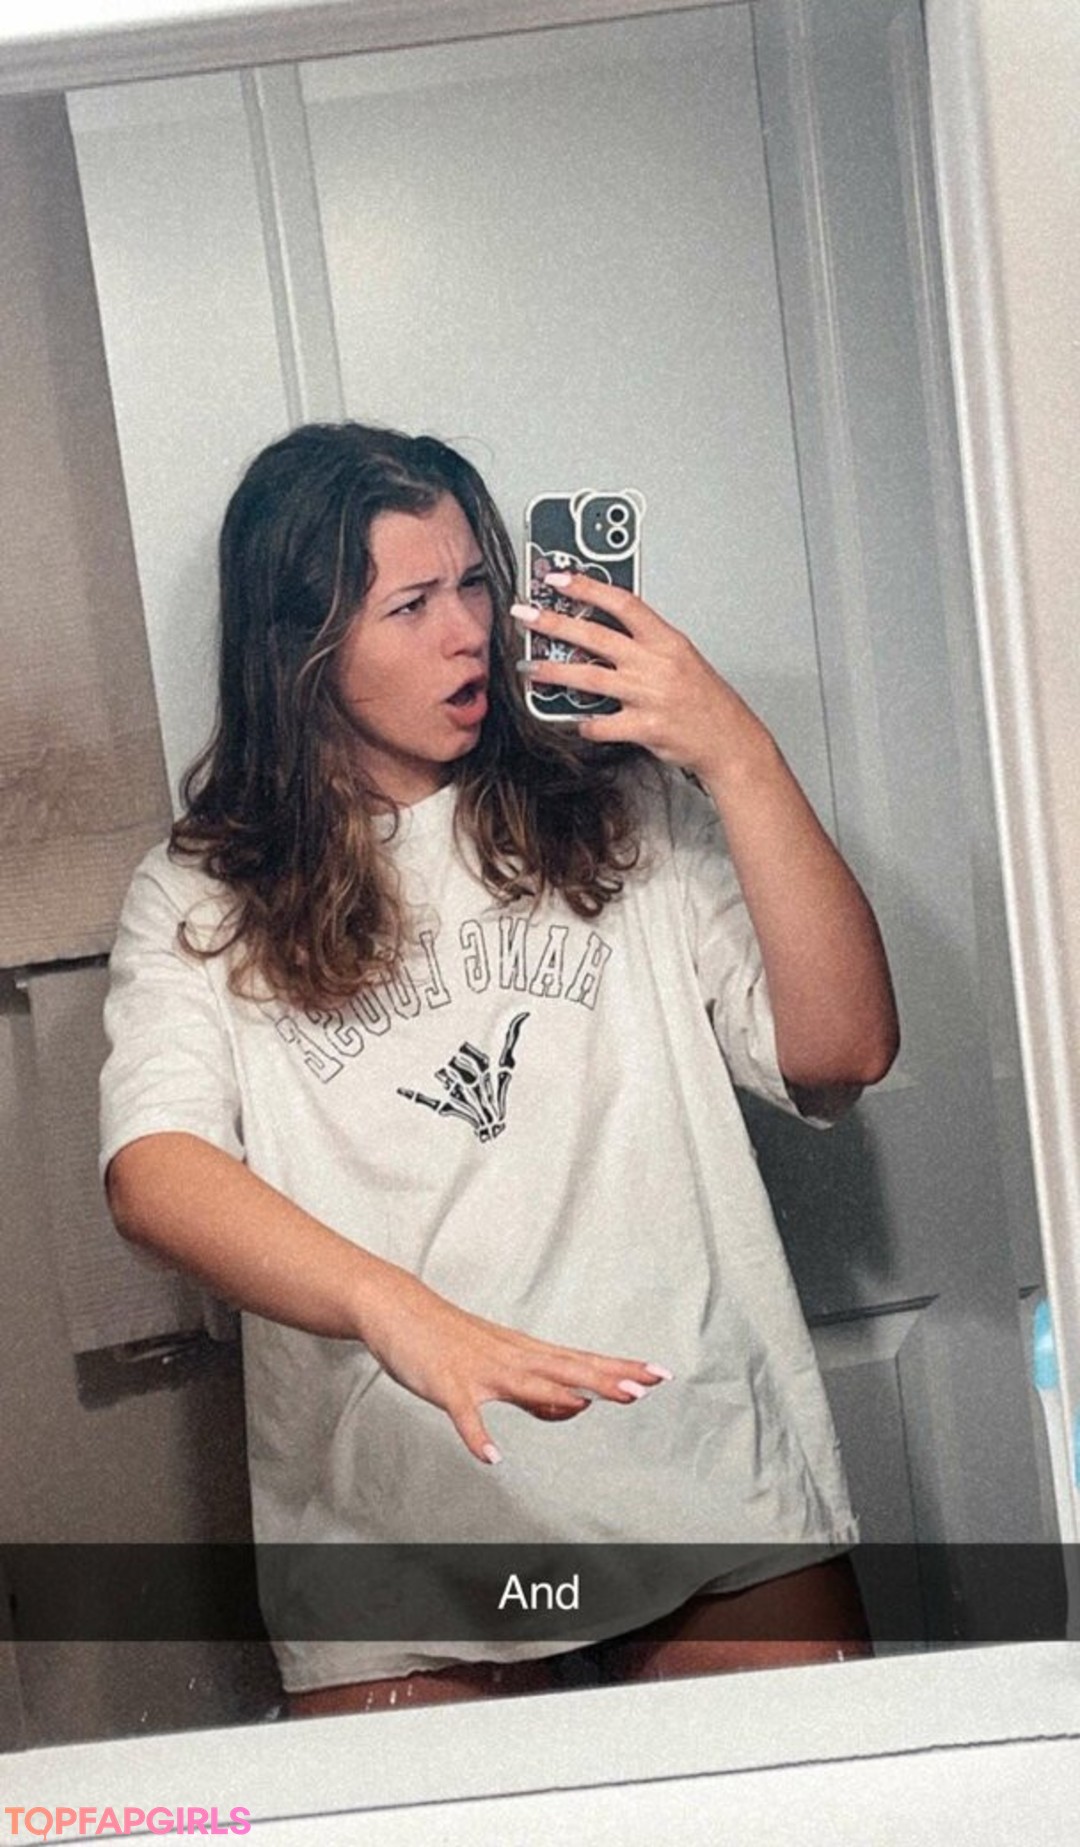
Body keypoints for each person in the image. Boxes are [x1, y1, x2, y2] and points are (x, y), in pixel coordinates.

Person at [100, 421, 899, 1716]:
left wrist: (734, 751)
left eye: (477, 583)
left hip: (697, 1474)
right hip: (396, 1531)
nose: (470, 631)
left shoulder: (620, 804)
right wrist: (397, 1310)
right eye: (412, 604)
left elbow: (845, 1045)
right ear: (300, 646)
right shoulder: (201, 893)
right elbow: (153, 1172)